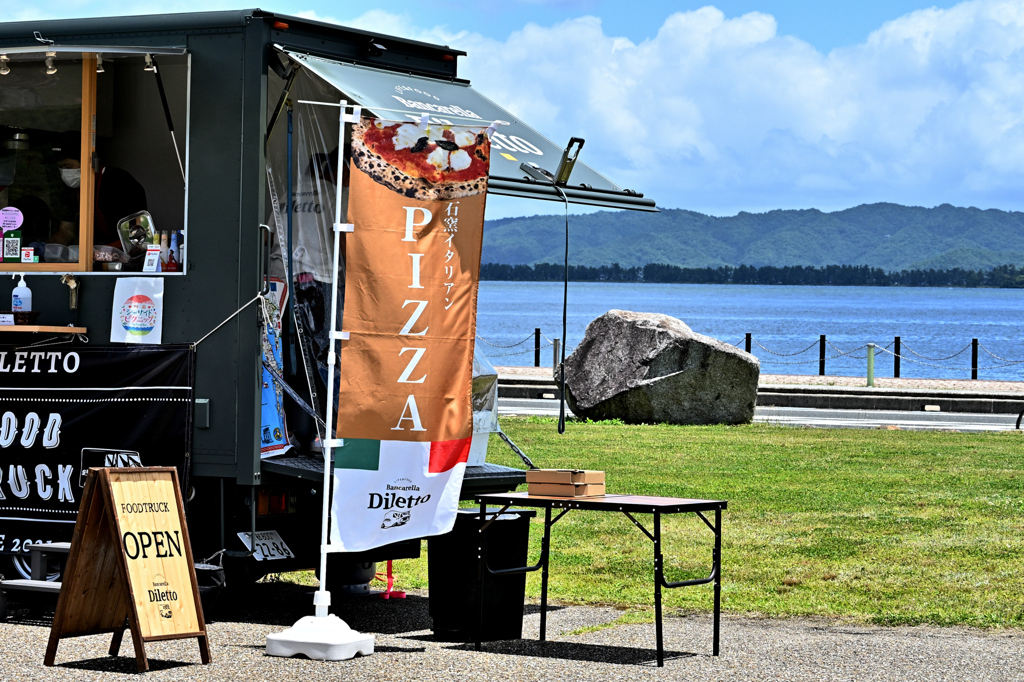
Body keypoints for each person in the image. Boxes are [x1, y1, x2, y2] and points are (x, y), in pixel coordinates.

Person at [50, 132, 148, 247]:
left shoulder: (120, 181)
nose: (65, 173)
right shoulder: (70, 189)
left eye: (68, 167)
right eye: (61, 168)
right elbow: (67, 230)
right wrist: (49, 246)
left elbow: (138, 229)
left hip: (123, 255)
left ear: (87, 160)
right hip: (92, 254)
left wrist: (103, 252)